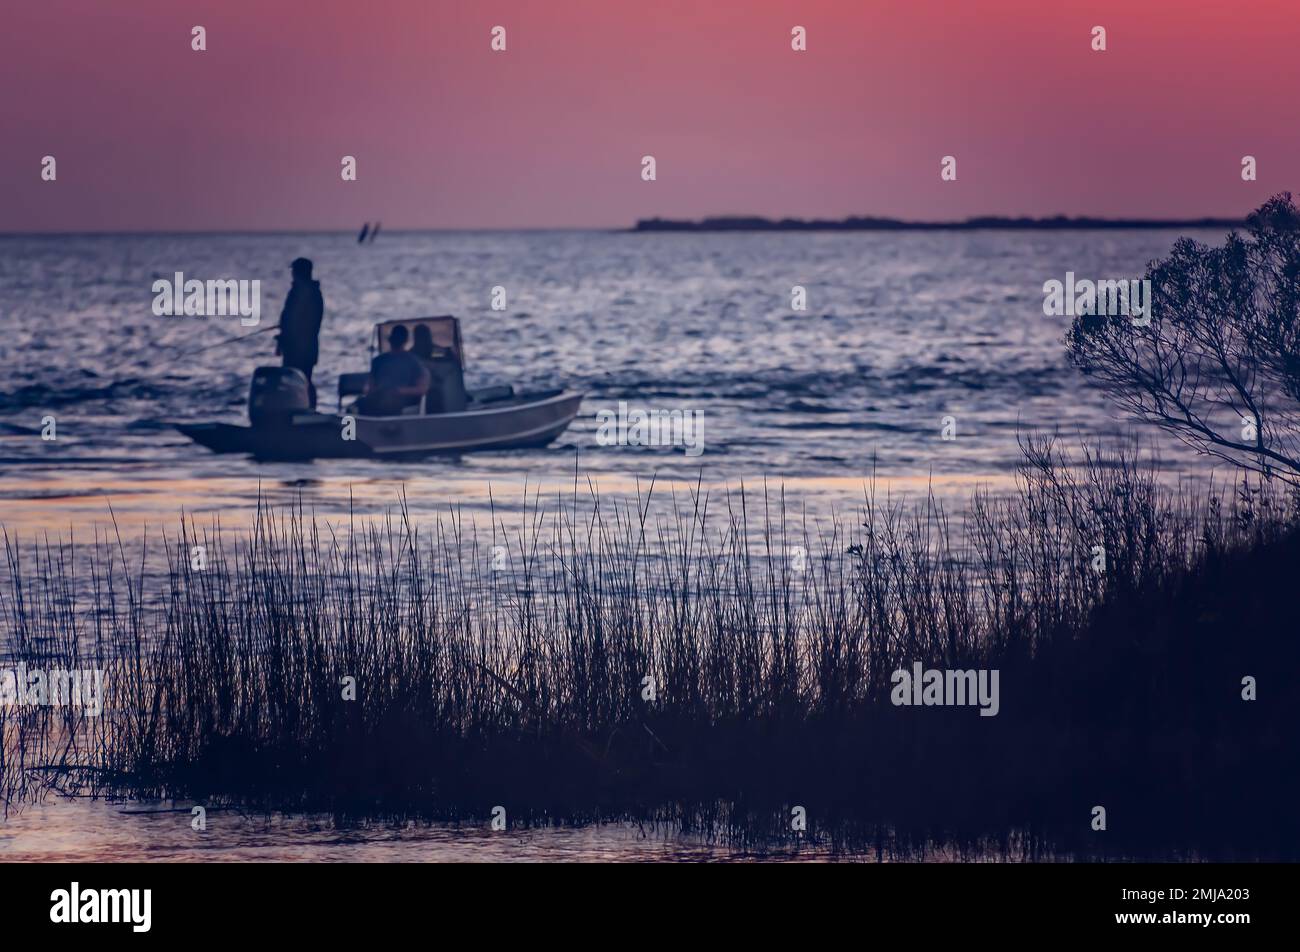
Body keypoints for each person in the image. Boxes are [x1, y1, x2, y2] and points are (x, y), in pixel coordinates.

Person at [276, 257, 324, 406]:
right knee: (300, 380)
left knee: (302, 380)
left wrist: (284, 338)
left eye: (294, 271)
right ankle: (304, 408)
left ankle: (308, 409)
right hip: (301, 347)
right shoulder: (308, 291)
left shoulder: (303, 292)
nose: (292, 274)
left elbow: (296, 321)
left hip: (300, 348)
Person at [356, 324, 430, 415]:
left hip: (401, 401)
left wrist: (399, 391)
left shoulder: (413, 362)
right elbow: (369, 386)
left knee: (388, 403)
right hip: (378, 399)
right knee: (359, 404)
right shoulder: (378, 361)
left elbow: (421, 389)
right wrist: (376, 391)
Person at [411, 324, 467, 413]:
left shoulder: (438, 351)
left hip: (441, 389)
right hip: (416, 391)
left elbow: (449, 365)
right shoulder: (410, 355)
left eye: (424, 335)